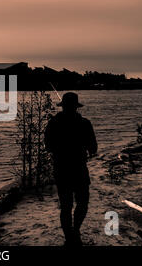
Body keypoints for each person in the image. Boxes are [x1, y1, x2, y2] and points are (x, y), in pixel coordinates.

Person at [44, 92, 97, 246]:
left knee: (66, 206)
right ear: (76, 107)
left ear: (64, 106)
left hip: (61, 170)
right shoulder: (85, 123)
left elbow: (48, 146)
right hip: (79, 169)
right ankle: (75, 231)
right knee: (82, 203)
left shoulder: (53, 123)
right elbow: (93, 148)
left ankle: (70, 235)